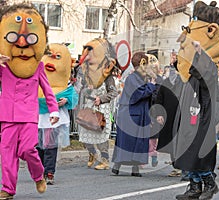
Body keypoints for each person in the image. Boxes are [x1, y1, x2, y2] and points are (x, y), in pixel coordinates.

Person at [0, 3, 59, 199]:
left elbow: (47, 90)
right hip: (8, 115)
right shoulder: (4, 65)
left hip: (28, 115)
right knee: (7, 154)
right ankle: (8, 189)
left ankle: (38, 175)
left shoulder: (38, 67)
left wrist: (54, 111)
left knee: (27, 149)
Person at [174, 1, 219, 199]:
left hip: (203, 115)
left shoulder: (210, 67)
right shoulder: (188, 74)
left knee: (200, 152)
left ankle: (210, 184)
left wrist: (197, 52)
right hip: (189, 114)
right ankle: (194, 186)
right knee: (187, 151)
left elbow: (208, 81)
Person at [37, 43, 79, 185]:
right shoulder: (37, 80)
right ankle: (40, 170)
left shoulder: (64, 84)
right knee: (38, 146)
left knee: (50, 145)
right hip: (37, 117)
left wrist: (65, 100)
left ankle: (49, 172)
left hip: (54, 119)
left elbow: (73, 97)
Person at [111, 52, 157, 177]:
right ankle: (117, 165)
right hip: (130, 114)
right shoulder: (132, 78)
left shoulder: (141, 78)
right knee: (127, 141)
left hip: (140, 113)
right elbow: (138, 94)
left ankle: (135, 167)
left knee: (139, 141)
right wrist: (152, 85)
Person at [77, 38, 118, 170]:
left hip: (101, 108)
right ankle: (92, 154)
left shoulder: (107, 76)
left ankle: (105, 160)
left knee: (100, 134)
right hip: (89, 105)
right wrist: (87, 89)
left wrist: (102, 98)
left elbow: (113, 92)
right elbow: (81, 89)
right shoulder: (87, 74)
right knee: (85, 132)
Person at [154, 51, 184, 177]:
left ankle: (181, 166)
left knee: (181, 141)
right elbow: (158, 99)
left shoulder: (184, 82)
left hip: (182, 117)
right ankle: (175, 165)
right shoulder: (165, 83)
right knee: (171, 142)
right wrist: (159, 114)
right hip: (168, 117)